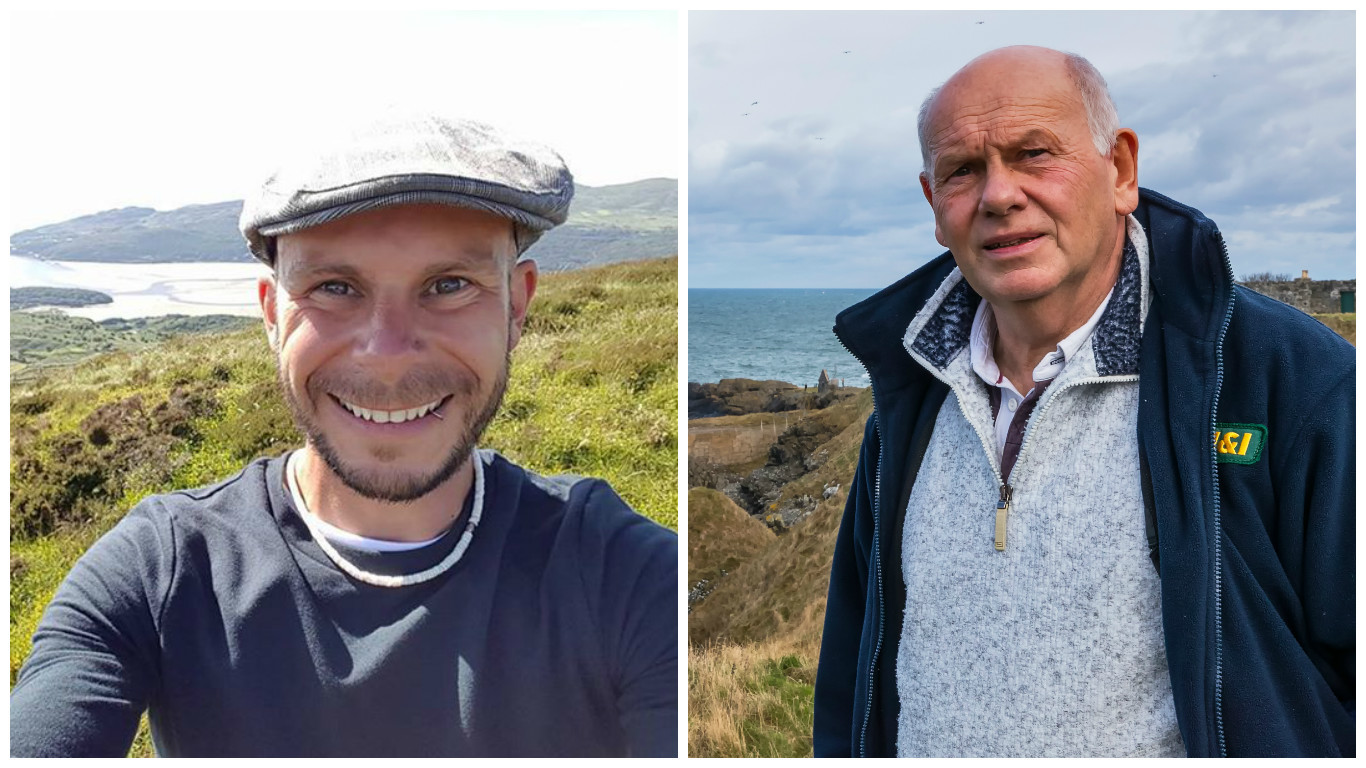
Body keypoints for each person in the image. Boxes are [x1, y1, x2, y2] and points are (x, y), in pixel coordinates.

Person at [10, 115, 679, 757]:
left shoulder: (626, 578)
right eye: (334, 287)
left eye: (449, 285)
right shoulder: (161, 574)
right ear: (272, 313)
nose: (387, 353)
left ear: (516, 305)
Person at [813, 46, 1354, 758]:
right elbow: (855, 670)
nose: (998, 195)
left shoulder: (1291, 381)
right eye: (963, 170)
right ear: (934, 208)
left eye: (1034, 153)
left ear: (1121, 170)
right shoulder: (909, 401)